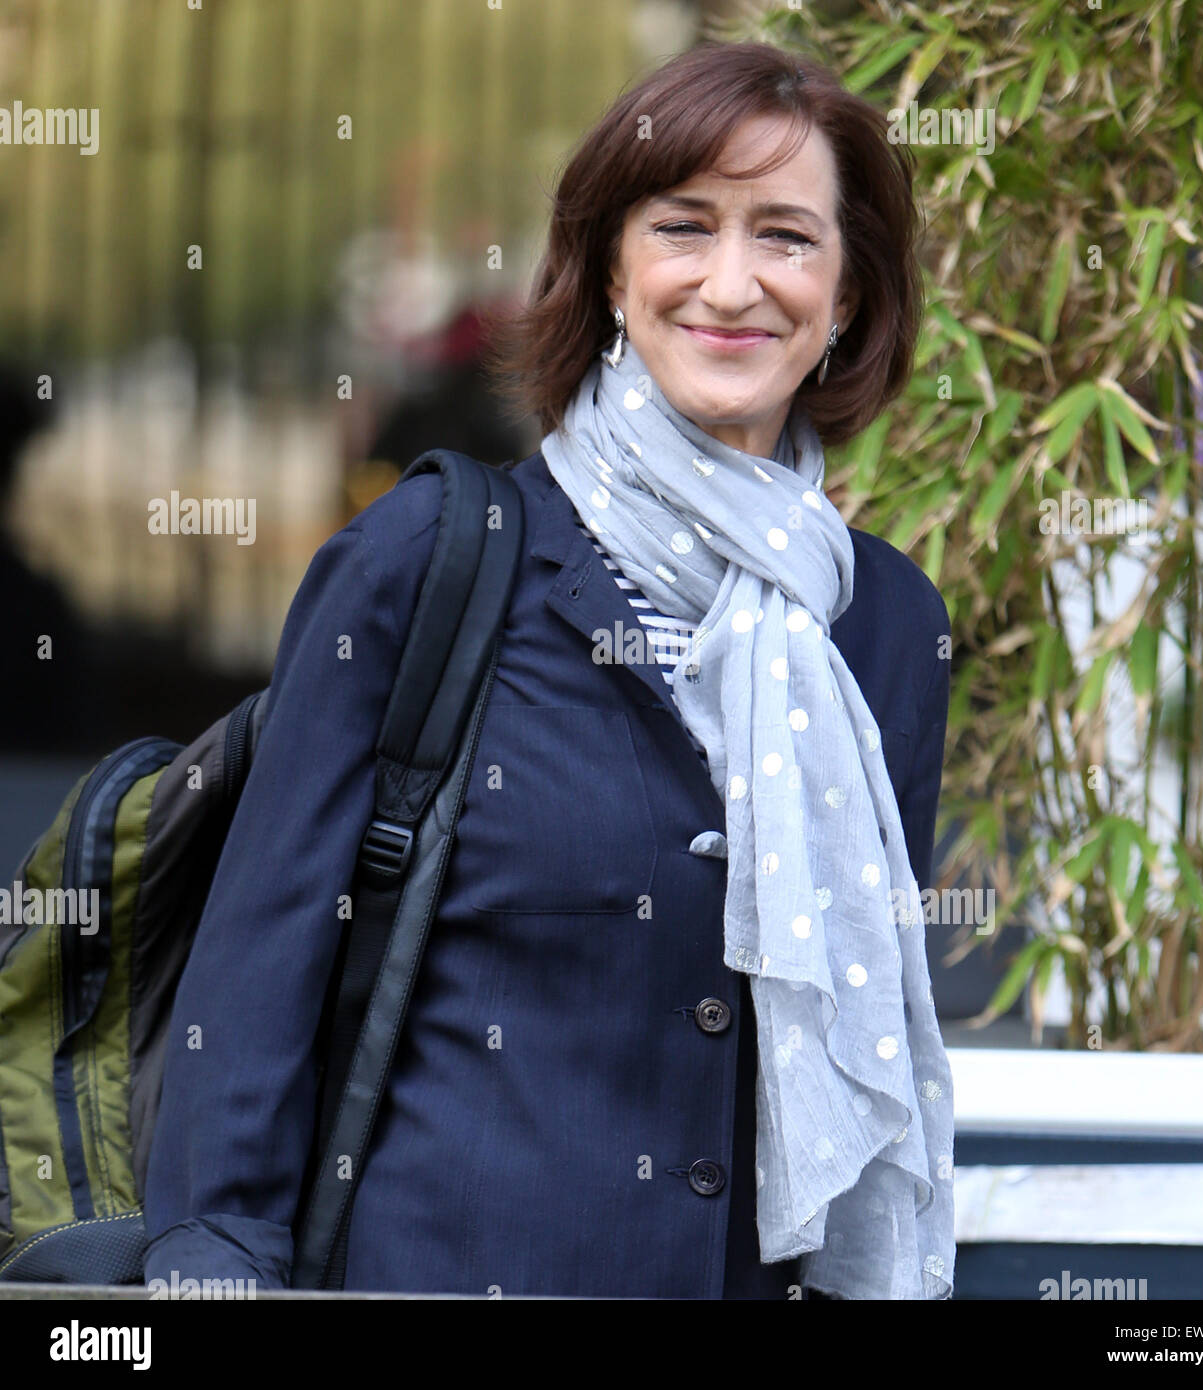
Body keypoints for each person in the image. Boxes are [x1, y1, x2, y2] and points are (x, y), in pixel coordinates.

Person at [143, 40, 955, 1300]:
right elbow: (260, 963)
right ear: (612, 271)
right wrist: (214, 1266)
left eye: (787, 238)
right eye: (683, 227)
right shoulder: (428, 561)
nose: (732, 283)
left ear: (845, 295)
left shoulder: (887, 625)